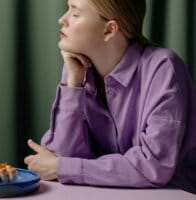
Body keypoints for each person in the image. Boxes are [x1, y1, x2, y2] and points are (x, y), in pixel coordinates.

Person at [24, 0, 196, 193]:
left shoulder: (163, 68)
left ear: (109, 30)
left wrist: (63, 167)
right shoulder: (77, 69)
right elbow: (61, 155)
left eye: (75, 13)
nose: (62, 19)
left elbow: (154, 166)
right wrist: (73, 84)